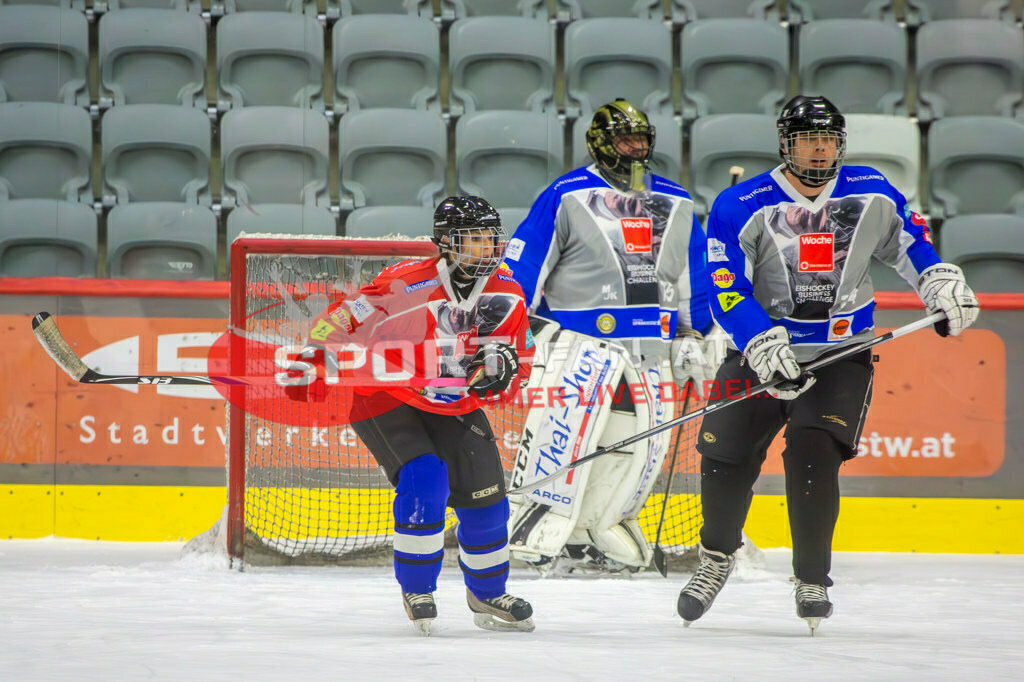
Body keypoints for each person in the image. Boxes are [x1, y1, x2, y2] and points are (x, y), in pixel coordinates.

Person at [677, 95, 980, 633]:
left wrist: (938, 279)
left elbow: (910, 245)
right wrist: (760, 342)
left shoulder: (872, 190)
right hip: (758, 351)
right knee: (725, 452)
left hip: (840, 352)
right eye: (807, 140)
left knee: (814, 452)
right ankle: (716, 557)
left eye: (827, 139)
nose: (819, 150)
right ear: (785, 144)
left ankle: (812, 578)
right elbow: (726, 288)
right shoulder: (740, 203)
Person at [287, 196, 536, 635]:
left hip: (454, 405)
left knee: (488, 501)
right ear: (447, 242)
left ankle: (488, 591)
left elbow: (523, 357)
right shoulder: (404, 283)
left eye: (491, 238)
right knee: (425, 478)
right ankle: (418, 588)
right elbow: (340, 319)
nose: (488, 247)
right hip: (386, 397)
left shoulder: (509, 293)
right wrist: (316, 353)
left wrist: (505, 372)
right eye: (475, 239)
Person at [502, 98, 715, 574]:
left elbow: (694, 275)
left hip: (651, 349)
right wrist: (517, 327)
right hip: (577, 344)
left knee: (637, 448)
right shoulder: (567, 194)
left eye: (641, 140)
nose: (636, 149)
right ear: (601, 143)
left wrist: (692, 333)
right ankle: (535, 527)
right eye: (625, 140)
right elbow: (525, 263)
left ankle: (601, 530)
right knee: (563, 441)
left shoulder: (677, 201)